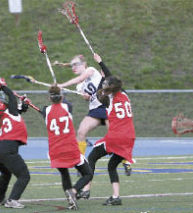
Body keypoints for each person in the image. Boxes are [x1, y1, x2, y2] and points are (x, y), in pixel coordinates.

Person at [80, 76, 136, 206]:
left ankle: (86, 189)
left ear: (110, 88)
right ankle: (116, 197)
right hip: (130, 137)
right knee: (112, 166)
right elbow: (106, 88)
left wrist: (89, 95)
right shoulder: (125, 95)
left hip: (116, 137)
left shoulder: (108, 99)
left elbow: (99, 95)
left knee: (92, 157)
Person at [41, 85, 93, 210]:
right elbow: (64, 103)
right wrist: (59, 89)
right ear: (62, 96)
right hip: (69, 148)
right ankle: (74, 191)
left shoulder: (46, 111)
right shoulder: (67, 106)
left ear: (49, 98)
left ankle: (71, 201)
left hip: (55, 150)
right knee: (88, 174)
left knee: (65, 174)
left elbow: (45, 111)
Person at [58, 53, 111, 157]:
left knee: (114, 135)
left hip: (107, 106)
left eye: (76, 64)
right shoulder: (79, 86)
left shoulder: (91, 70)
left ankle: (125, 161)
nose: (74, 67)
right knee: (81, 132)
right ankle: (81, 160)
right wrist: (86, 96)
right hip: (95, 109)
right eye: (72, 65)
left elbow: (80, 78)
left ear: (84, 64)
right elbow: (86, 97)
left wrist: (61, 85)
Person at [0, 78, 30, 209]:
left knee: (6, 174)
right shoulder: (10, 111)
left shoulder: (2, 117)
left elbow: (19, 110)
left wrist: (24, 104)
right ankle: (12, 200)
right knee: (24, 175)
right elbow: (10, 96)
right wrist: (3, 86)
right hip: (7, 149)